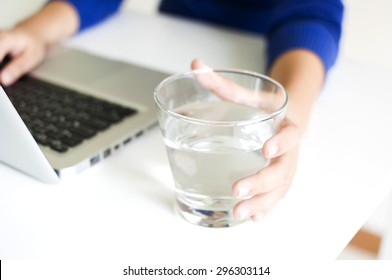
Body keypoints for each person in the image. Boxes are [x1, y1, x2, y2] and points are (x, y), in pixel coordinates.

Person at [0, 0, 344, 221]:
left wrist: (291, 110)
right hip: (172, 52)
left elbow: (312, 13)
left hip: (270, 65)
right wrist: (32, 32)